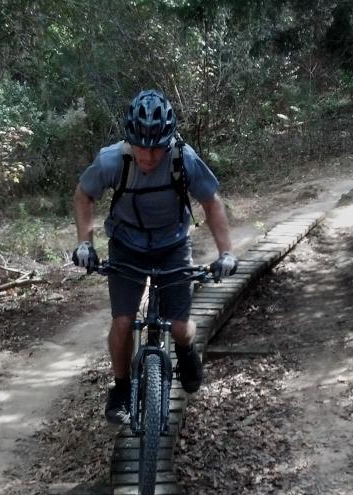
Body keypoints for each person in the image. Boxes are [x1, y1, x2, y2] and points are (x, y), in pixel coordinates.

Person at [71, 89, 238, 424]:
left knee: (179, 328)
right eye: (141, 147)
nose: (148, 156)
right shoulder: (112, 161)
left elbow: (212, 203)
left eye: (157, 147)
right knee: (121, 321)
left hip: (173, 244)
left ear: (169, 140)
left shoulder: (183, 158)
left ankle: (187, 352)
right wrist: (85, 243)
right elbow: (83, 194)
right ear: (130, 140)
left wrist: (227, 253)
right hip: (126, 243)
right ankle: (120, 388)